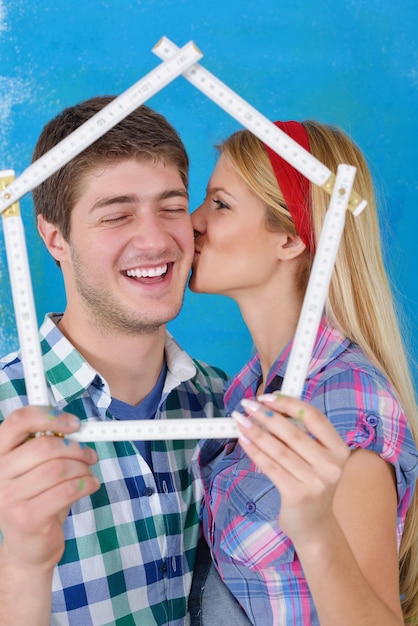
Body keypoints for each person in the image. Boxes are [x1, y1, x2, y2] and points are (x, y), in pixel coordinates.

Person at [0, 96, 228, 625]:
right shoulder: (9, 420)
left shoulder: (229, 406)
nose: (155, 239)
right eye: (117, 214)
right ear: (55, 238)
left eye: (172, 207)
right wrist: (23, 565)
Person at [188, 120, 418, 625]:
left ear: (290, 239)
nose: (193, 222)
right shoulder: (248, 389)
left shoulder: (344, 401)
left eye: (219, 204)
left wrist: (315, 533)